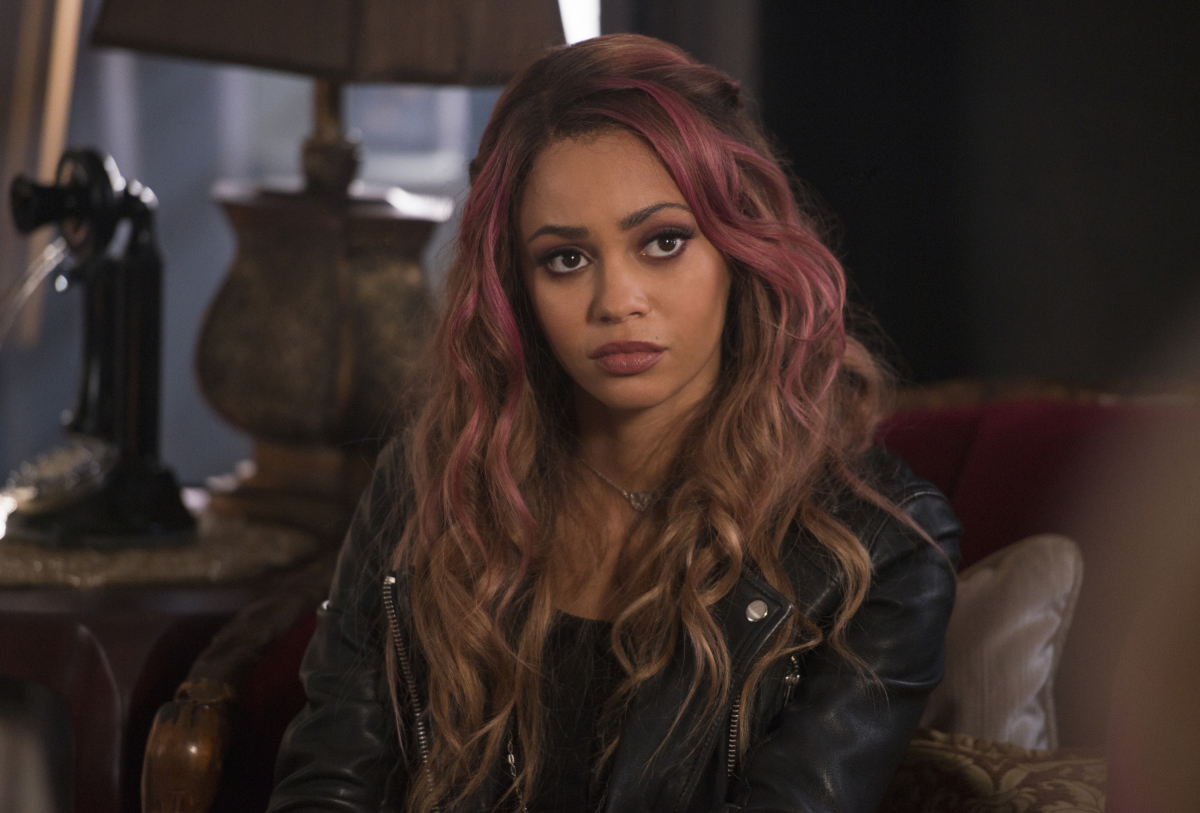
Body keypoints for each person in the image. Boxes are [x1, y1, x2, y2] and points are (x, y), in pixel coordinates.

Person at [268, 34, 960, 813]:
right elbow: (327, 786)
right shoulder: (429, 484)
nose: (617, 301)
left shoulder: (876, 553)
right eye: (566, 259)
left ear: (739, 249)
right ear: (515, 287)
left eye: (663, 242)